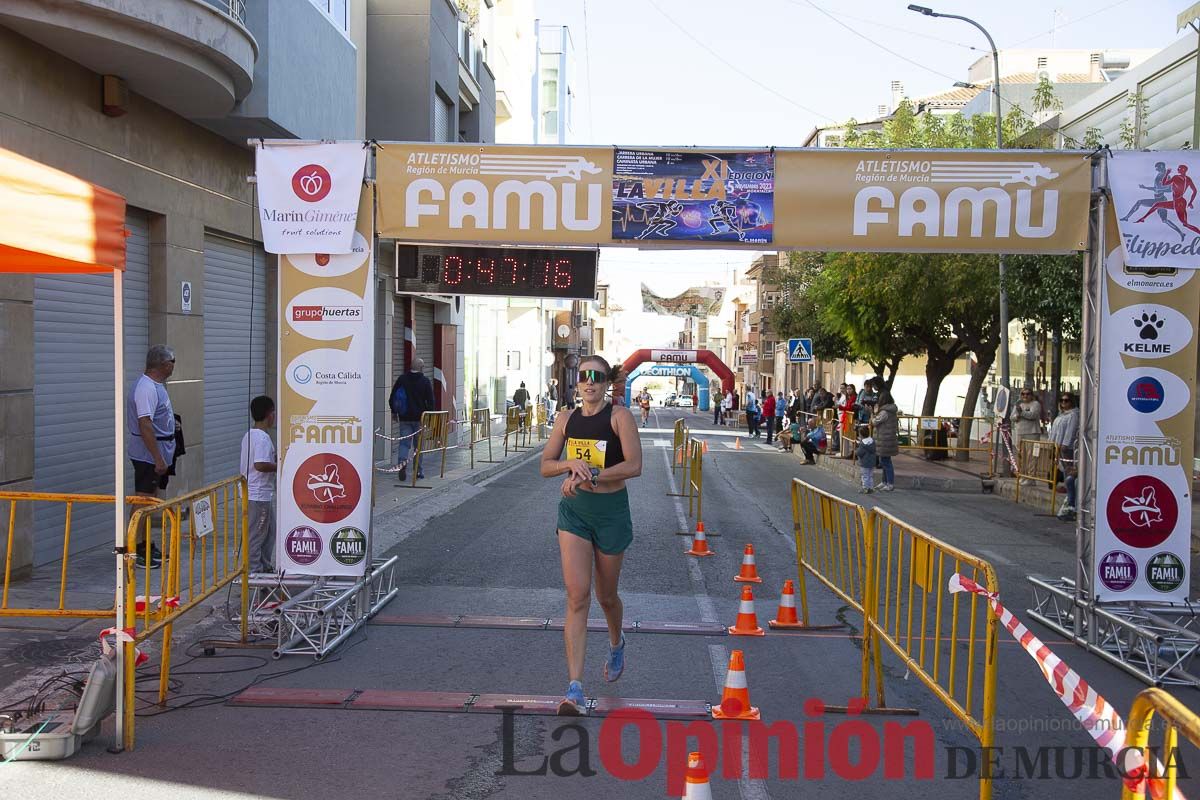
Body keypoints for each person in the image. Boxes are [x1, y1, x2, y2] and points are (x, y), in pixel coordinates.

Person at [540, 355, 642, 716]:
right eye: (584, 376)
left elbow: (635, 465)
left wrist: (594, 476)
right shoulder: (566, 419)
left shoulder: (619, 417)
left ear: (606, 382)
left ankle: (617, 641)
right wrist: (569, 465)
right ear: (577, 382)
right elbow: (545, 465)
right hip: (575, 513)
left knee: (606, 595)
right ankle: (575, 689)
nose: (589, 382)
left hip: (611, 513)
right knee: (577, 595)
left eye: (597, 377)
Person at [127, 344, 177, 568]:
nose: (174, 366)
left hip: (158, 452)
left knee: (150, 500)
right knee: (142, 500)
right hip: (148, 456)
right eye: (172, 362)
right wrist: (157, 457)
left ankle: (145, 543)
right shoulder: (146, 388)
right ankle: (134, 549)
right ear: (164, 364)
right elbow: (145, 423)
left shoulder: (156, 386)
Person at [239, 396, 277, 573]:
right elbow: (260, 464)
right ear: (269, 414)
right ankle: (254, 573)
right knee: (257, 535)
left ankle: (264, 567)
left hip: (259, 494)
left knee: (269, 532)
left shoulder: (250, 434)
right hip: (257, 494)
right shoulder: (261, 438)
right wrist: (281, 466)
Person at [389, 357, 435, 482]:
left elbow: (393, 397)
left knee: (404, 443)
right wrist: (429, 417)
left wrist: (394, 412)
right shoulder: (425, 381)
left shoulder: (402, 379)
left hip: (404, 418)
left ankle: (402, 465)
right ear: (421, 368)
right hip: (420, 419)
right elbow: (430, 401)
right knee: (418, 446)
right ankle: (418, 470)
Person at [1049, 392, 1080, 520]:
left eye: (1066, 401)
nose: (1063, 403)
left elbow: (1070, 431)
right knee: (1065, 474)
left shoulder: (1073, 415)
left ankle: (1071, 504)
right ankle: (1068, 503)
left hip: (1067, 449)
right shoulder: (1061, 415)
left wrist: (1065, 445)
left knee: (1070, 476)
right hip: (1058, 447)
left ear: (1071, 401)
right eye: (1061, 400)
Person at [1010, 388, 1043, 486]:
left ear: (1031, 395)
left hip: (1032, 433)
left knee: (1031, 456)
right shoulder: (1018, 404)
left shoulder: (1035, 404)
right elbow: (1012, 417)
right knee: (1021, 456)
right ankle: (1023, 476)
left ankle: (1031, 478)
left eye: (1027, 394)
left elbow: (1033, 415)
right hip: (1020, 433)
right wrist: (1017, 416)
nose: (1025, 396)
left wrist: (1021, 413)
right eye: (1023, 394)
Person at [872, 391, 900, 492]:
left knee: (886, 462)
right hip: (886, 439)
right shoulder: (890, 410)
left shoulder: (884, 412)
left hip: (884, 440)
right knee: (884, 461)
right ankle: (884, 482)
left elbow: (875, 422)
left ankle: (890, 483)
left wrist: (873, 413)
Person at [854, 424, 878, 494]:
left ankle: (865, 488)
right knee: (870, 475)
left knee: (865, 476)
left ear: (861, 435)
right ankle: (871, 487)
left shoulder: (863, 444)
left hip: (864, 463)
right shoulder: (872, 441)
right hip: (872, 462)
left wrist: (856, 450)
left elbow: (859, 453)